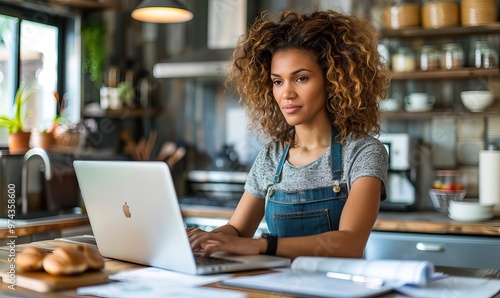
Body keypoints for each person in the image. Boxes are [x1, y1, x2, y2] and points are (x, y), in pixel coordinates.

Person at [188, 9, 390, 259]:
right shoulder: (272, 157)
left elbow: (350, 242)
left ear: (333, 81)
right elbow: (238, 230)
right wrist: (202, 240)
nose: (286, 94)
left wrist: (263, 246)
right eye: (277, 81)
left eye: (301, 78)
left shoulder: (362, 151)